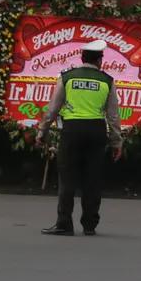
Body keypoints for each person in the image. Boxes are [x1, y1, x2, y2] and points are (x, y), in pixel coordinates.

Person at [36, 39, 124, 236]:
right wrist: (116, 142)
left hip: (72, 130)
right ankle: (90, 225)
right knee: (92, 179)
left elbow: (53, 109)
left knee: (67, 178)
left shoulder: (67, 77)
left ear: (82, 58)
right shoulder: (107, 81)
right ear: (100, 60)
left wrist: (42, 131)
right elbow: (112, 116)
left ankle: (64, 223)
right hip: (96, 131)